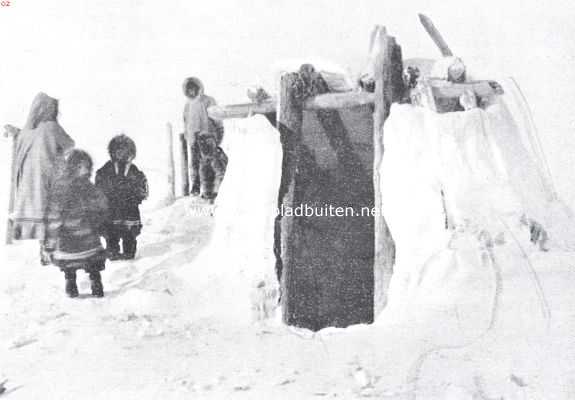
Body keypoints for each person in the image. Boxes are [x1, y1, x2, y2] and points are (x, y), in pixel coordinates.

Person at [7, 92, 75, 264]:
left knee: (42, 215)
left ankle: (44, 249)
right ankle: (50, 250)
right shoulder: (51, 127)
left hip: (31, 183)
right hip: (51, 178)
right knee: (54, 214)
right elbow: (69, 144)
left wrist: (15, 132)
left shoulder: (28, 131)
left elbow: (21, 139)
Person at [44, 149, 109, 298]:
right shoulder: (64, 189)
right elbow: (54, 216)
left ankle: (96, 283)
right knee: (75, 266)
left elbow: (102, 206)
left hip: (85, 237)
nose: (85, 170)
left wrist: (98, 220)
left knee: (90, 264)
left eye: (86, 166)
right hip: (74, 238)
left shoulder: (87, 187)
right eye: (80, 166)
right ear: (71, 167)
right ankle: (71, 284)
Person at [95, 134, 148, 260]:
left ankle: (129, 251)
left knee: (129, 233)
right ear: (112, 152)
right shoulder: (107, 168)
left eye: (125, 151)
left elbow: (141, 185)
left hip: (129, 207)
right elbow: (100, 182)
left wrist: (137, 195)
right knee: (111, 232)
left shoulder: (133, 169)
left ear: (130, 153)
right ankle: (112, 251)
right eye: (118, 151)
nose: (121, 154)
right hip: (111, 208)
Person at [182, 77, 228, 200]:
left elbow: (217, 118)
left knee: (210, 163)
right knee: (195, 164)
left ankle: (214, 190)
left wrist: (218, 134)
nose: (192, 92)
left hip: (207, 136)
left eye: (193, 89)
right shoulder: (187, 105)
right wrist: (188, 137)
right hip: (194, 139)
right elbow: (186, 122)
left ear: (198, 88)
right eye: (189, 90)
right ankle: (196, 188)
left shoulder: (208, 101)